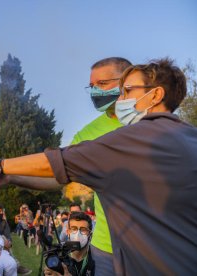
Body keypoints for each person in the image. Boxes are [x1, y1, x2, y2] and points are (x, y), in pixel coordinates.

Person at [0, 58, 197, 274]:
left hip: (146, 256)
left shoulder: (132, 137)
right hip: (139, 247)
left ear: (155, 95)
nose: (121, 98)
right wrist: (12, 176)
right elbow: (61, 173)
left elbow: (58, 161)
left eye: (126, 89)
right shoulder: (189, 136)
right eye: (92, 86)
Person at [68, 56, 132, 275]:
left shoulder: (153, 122)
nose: (96, 91)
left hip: (151, 248)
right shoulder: (86, 135)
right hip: (105, 247)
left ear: (127, 82)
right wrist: (6, 172)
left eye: (102, 84)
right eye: (92, 86)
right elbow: (56, 172)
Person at [44, 212, 95, 276]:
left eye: (83, 230)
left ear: (90, 235)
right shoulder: (59, 257)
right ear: (68, 232)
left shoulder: (96, 259)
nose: (78, 234)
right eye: (74, 229)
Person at [0, 203, 32, 275]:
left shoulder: (3, 222)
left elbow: (8, 235)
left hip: (2, 246)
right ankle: (17, 265)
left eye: (2, 212)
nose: (1, 213)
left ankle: (15, 265)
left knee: (5, 240)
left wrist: (9, 242)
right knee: (2, 238)